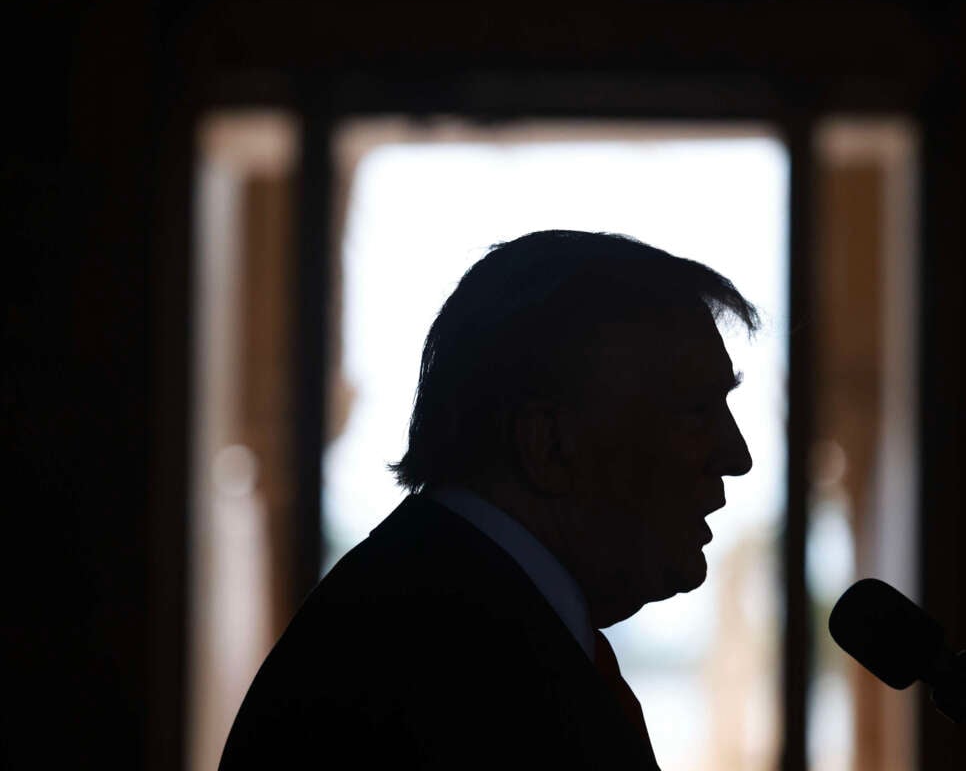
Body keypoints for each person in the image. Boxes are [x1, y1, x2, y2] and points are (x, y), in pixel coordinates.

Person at [219, 230, 757, 769]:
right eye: (696, 414)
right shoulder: (453, 674)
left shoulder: (434, 626)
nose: (737, 456)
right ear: (547, 445)